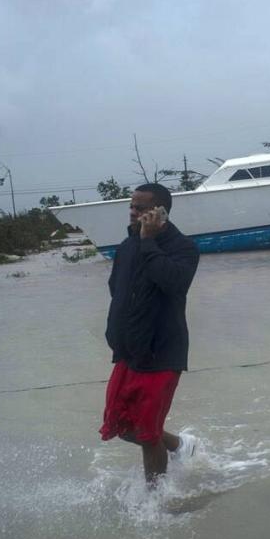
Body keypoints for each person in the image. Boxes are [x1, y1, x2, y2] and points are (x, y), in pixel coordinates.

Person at [99, 183, 201, 486]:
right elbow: (115, 290)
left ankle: (154, 501)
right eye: (132, 206)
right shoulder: (126, 246)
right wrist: (115, 335)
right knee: (123, 427)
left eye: (141, 208)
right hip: (129, 352)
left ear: (160, 212)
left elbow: (173, 283)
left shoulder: (184, 248)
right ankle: (181, 445)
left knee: (146, 434)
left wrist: (148, 242)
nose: (133, 212)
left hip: (162, 354)